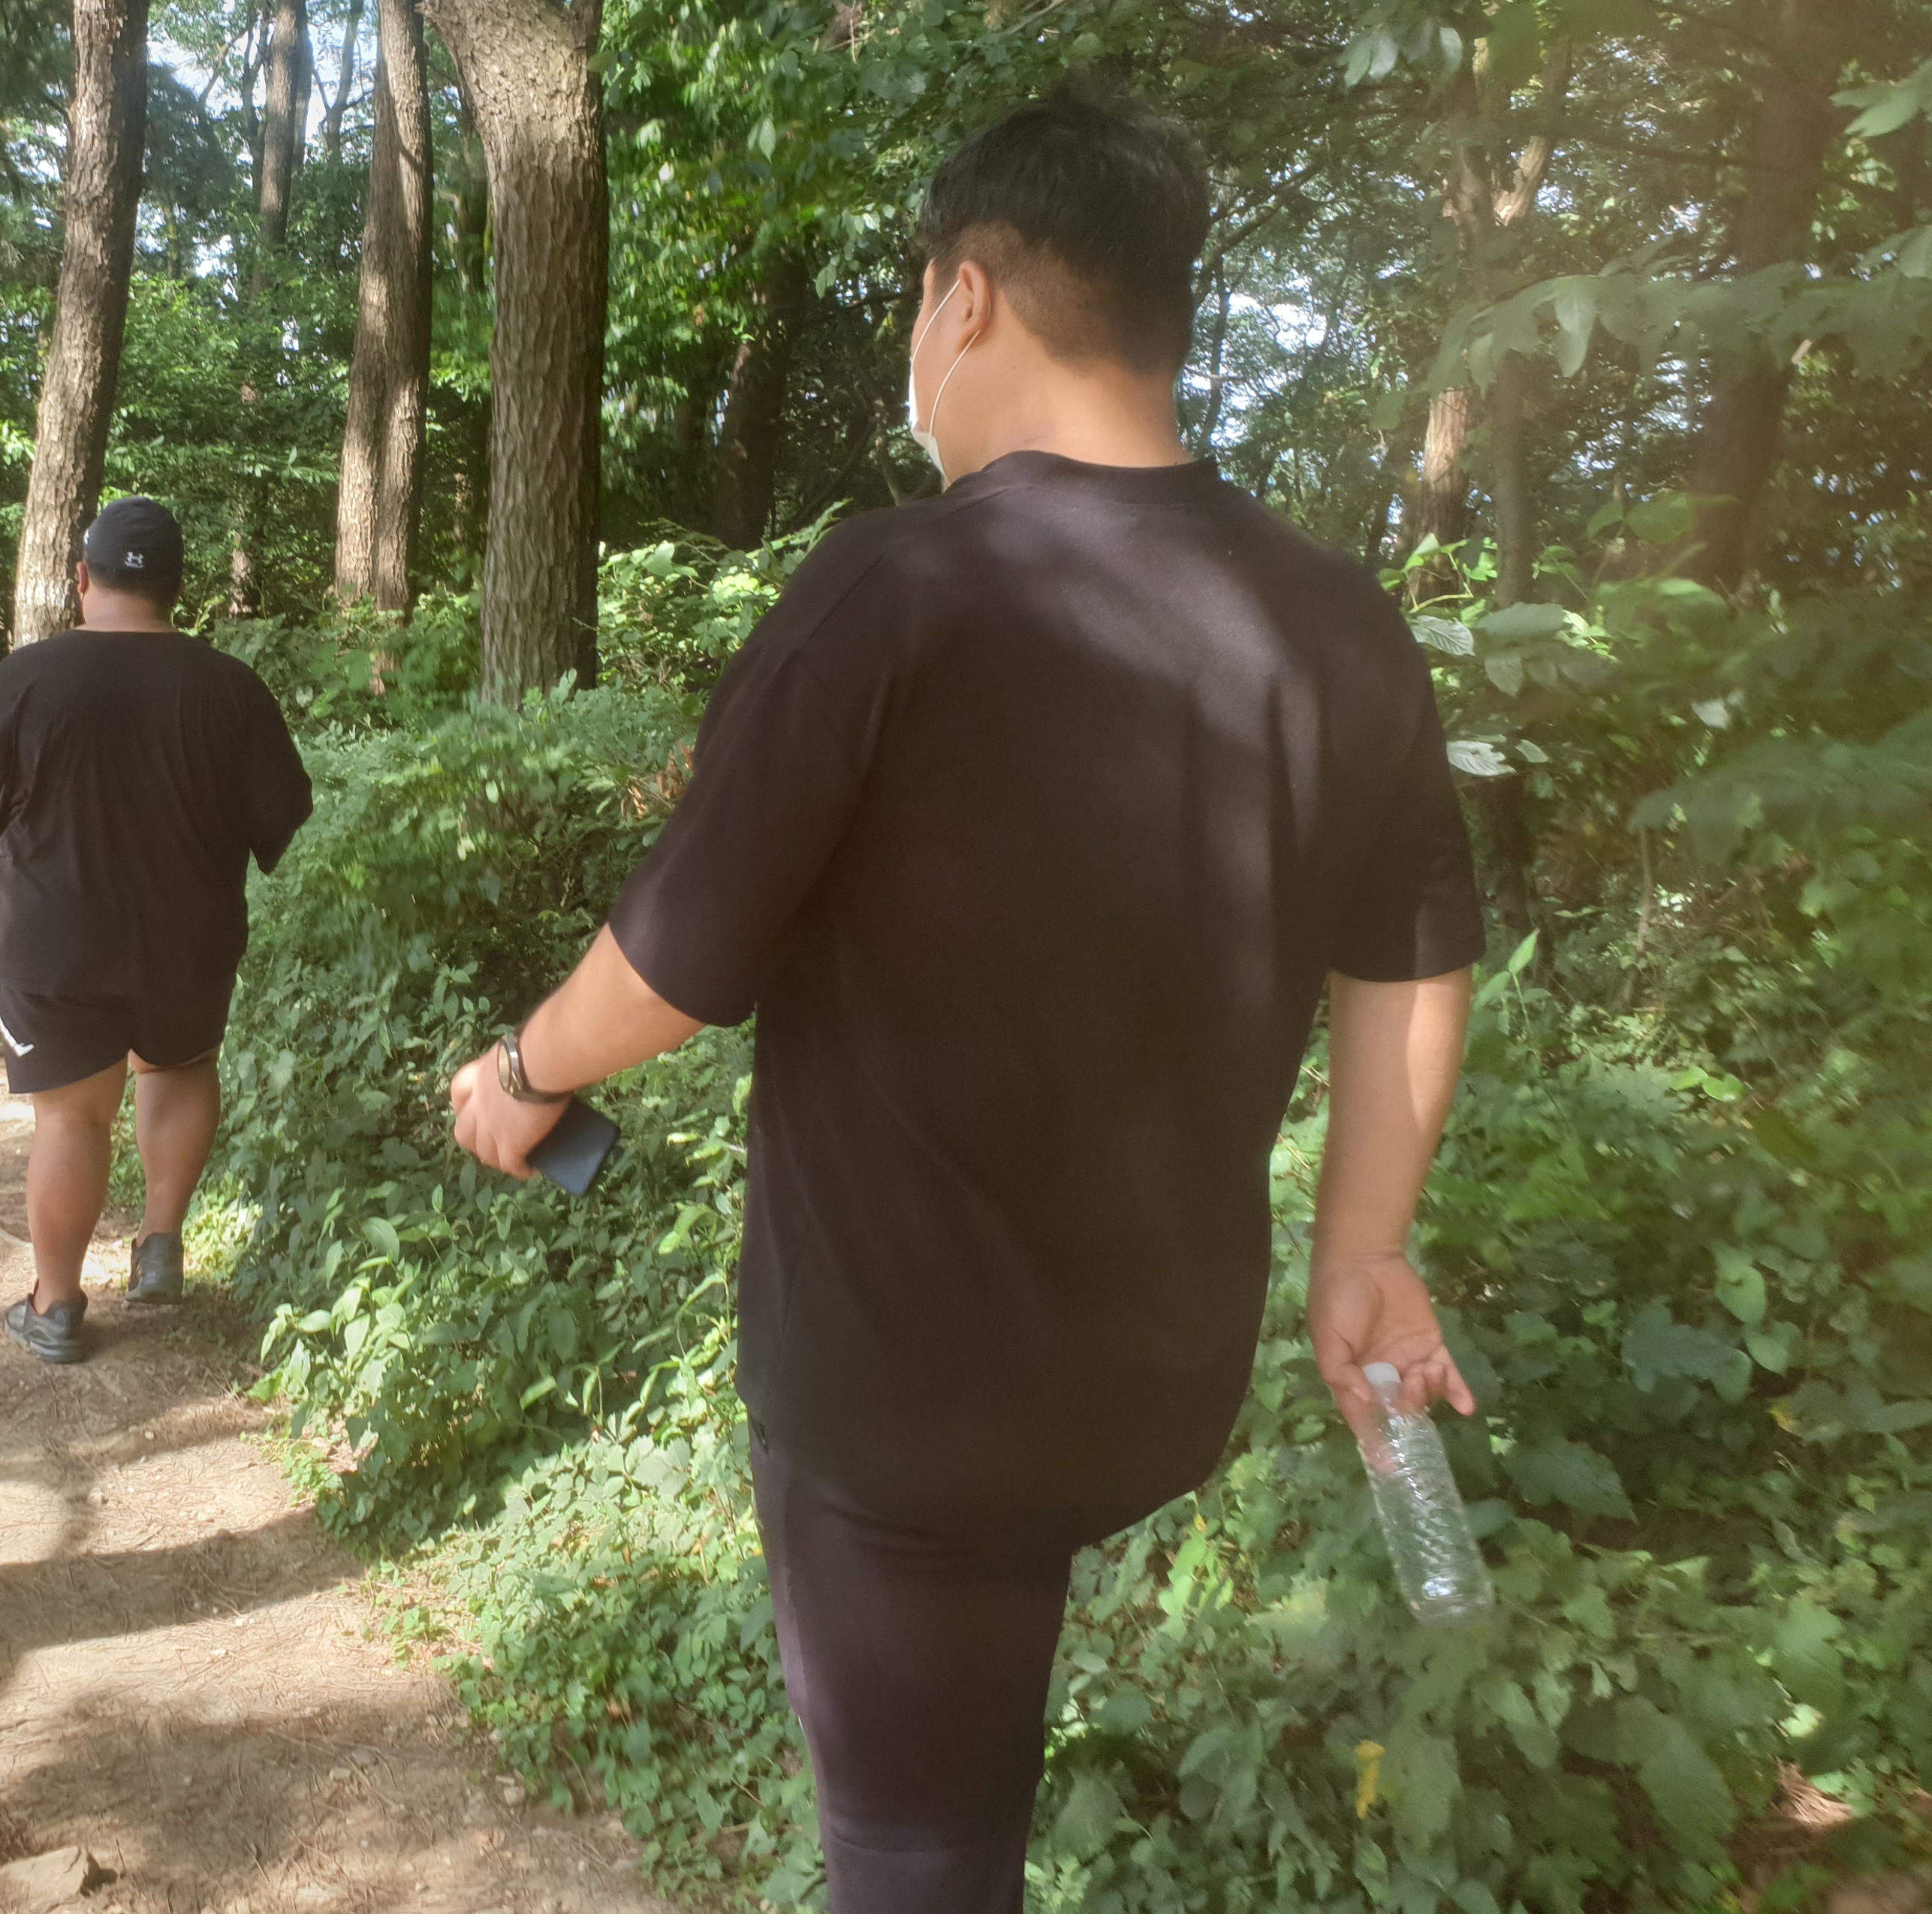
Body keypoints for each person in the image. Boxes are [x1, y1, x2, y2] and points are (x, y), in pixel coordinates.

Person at [445, 97, 1486, 1913]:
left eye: (916, 308)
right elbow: (1412, 961)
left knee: (920, 1850)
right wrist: (1365, 1254)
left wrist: (524, 1071)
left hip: (898, 1387)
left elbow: (674, 967)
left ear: (969, 295)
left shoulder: (898, 584)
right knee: (966, 1766)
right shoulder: (1338, 624)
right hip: (1149, 1380)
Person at [0, 496, 313, 1364]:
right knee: (179, 1067)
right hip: (189, 938)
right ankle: (161, 1242)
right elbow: (278, 820)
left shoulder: (25, 679)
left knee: (71, 1119)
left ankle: (57, 1306)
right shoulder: (228, 685)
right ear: (178, 586)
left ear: (81, 578)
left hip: (54, 942)